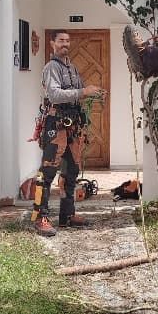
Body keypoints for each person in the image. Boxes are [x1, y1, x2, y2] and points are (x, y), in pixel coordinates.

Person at [31, 30, 103, 237]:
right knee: (46, 174)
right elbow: (54, 94)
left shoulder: (71, 68)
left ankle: (67, 216)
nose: (65, 44)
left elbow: (80, 92)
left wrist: (93, 93)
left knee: (71, 172)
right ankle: (40, 218)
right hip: (55, 125)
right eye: (61, 40)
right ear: (52, 43)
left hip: (73, 126)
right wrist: (83, 92)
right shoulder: (51, 67)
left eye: (67, 41)